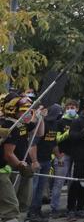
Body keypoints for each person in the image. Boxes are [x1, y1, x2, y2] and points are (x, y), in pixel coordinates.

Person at [0, 93, 37, 221]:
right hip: (1, 172)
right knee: (10, 210)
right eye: (23, 110)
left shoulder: (12, 125)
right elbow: (8, 154)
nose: (26, 113)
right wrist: (21, 166)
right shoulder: (11, 126)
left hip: (4, 169)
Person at [27, 103, 62, 221]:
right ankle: (30, 212)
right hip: (37, 160)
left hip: (47, 160)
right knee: (34, 187)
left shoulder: (55, 124)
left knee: (41, 188)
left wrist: (59, 157)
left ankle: (37, 209)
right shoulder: (42, 123)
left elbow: (54, 142)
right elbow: (33, 144)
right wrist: (34, 161)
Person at [49, 100, 79, 217]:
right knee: (59, 182)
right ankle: (54, 209)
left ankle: (71, 207)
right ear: (66, 108)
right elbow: (56, 140)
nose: (71, 109)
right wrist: (69, 133)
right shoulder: (60, 122)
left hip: (76, 156)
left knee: (73, 183)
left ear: (77, 108)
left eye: (73, 107)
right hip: (63, 155)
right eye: (69, 107)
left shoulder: (79, 121)